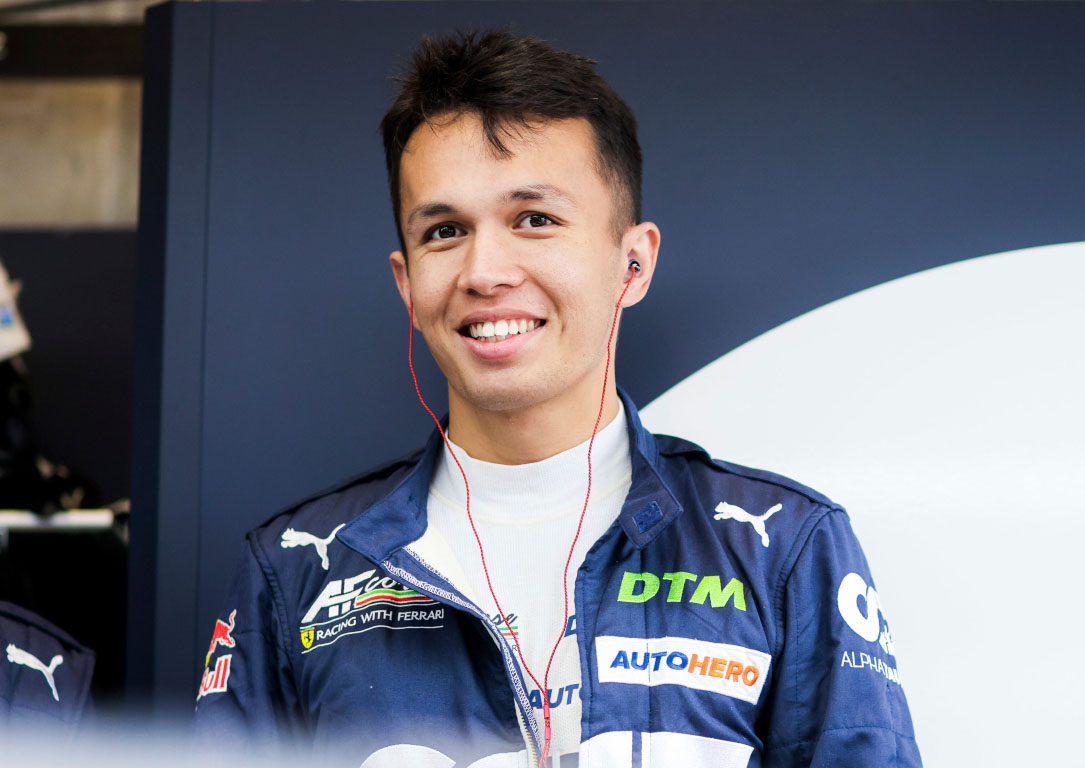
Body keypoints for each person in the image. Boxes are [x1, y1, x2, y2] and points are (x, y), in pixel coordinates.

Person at [194, 29, 921, 768]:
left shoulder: (783, 549)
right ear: (407, 284)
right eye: (444, 231)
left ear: (632, 264)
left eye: (534, 220)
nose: (485, 270)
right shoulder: (292, 571)